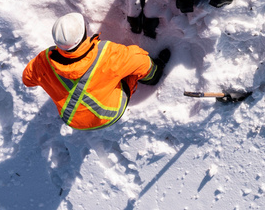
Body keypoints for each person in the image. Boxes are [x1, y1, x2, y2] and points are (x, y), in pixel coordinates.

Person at [22, 12, 170, 130]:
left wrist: (50, 80)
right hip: (108, 114)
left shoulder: (44, 61)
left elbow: (27, 80)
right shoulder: (108, 54)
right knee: (128, 73)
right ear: (84, 33)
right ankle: (152, 78)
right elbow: (141, 62)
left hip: (71, 119)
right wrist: (154, 73)